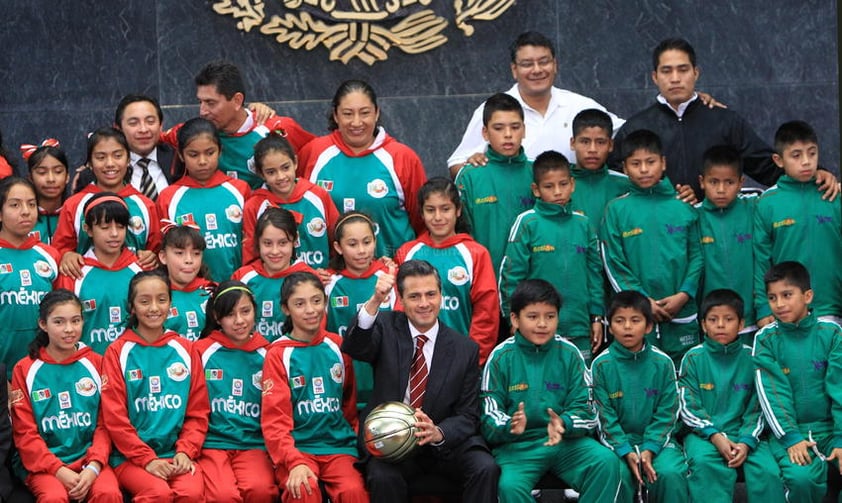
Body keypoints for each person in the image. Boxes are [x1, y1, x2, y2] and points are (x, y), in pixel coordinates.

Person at [342, 260, 499, 502]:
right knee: (383, 477)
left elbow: (468, 415)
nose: (424, 303)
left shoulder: (464, 348)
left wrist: (438, 432)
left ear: (441, 296)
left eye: (431, 294)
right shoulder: (385, 327)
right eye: (414, 296)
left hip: (444, 444)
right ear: (401, 300)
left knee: (485, 467)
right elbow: (355, 346)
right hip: (393, 442)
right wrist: (375, 300)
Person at [609, 37, 838, 201]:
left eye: (683, 69)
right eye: (667, 71)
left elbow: (766, 165)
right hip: (661, 236)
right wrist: (660, 193)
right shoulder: (637, 128)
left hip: (718, 232)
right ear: (655, 77)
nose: (675, 78)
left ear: (696, 73)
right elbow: (613, 177)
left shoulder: (724, 121)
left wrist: (816, 174)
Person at [481, 279, 630, 502]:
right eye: (533, 316)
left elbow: (588, 410)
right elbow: (488, 413)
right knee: (508, 487)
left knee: (606, 464)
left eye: (550, 316)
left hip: (566, 443)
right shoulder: (501, 357)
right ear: (515, 319)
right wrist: (510, 424)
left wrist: (564, 423)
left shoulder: (570, 353)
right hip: (518, 447)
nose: (542, 324)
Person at [447, 31, 623, 175]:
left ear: (555, 65)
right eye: (527, 64)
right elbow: (456, 164)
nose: (537, 70)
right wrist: (473, 165)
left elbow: (626, 134)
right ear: (514, 70)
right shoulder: (494, 109)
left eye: (544, 62)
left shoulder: (579, 105)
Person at [100, 270, 209, 502]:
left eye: (161, 299)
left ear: (170, 303)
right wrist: (146, 459)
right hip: (130, 458)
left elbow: (197, 413)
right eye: (144, 301)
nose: (154, 308)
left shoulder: (186, 349)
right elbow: (115, 419)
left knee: (191, 493)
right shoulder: (117, 352)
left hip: (176, 453)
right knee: (157, 493)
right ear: (132, 307)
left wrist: (185, 451)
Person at [262, 272, 368, 503]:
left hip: (338, 447)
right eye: (300, 304)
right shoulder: (278, 354)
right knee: (304, 490)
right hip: (297, 448)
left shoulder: (338, 346)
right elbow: (275, 422)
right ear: (286, 309)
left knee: (354, 492)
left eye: (316, 300)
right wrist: (293, 461)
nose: (310, 310)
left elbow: (348, 405)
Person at [9, 289, 123, 503]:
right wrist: (59, 470)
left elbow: (106, 424)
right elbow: (25, 434)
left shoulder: (97, 362)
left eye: (76, 321)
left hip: (90, 461)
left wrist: (94, 467)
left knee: (108, 493)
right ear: (43, 324)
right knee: (53, 497)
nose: (69, 329)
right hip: (44, 465)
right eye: (59, 322)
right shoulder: (24, 369)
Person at [600, 129, 703, 363]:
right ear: (625, 169)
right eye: (636, 163)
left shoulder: (684, 206)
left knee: (685, 377)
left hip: (683, 312)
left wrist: (685, 294)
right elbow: (614, 263)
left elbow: (697, 256)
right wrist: (643, 300)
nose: (644, 169)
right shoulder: (616, 210)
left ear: (663, 163)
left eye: (650, 162)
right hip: (636, 315)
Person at [297, 79, 427, 257]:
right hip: (328, 277)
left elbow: (422, 221)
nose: (356, 122)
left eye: (364, 113)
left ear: (376, 113)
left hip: (392, 274)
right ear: (335, 115)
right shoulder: (314, 153)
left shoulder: (402, 158)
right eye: (348, 114)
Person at [679, 289, 785, 503]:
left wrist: (746, 441)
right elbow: (687, 405)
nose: (720, 325)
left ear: (741, 324)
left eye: (728, 319)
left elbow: (760, 405)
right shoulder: (692, 358)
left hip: (747, 435)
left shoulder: (753, 358)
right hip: (705, 435)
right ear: (703, 325)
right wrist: (714, 435)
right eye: (713, 319)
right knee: (704, 464)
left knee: (768, 471)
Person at [498, 151, 603, 363]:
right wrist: (513, 318)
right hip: (535, 327)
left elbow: (595, 275)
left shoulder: (583, 224)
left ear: (572, 184)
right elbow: (511, 275)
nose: (557, 192)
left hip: (578, 325)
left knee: (579, 386)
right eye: (549, 186)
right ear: (536, 190)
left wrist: (597, 317)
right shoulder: (527, 223)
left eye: (563, 184)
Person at [753, 261, 842, 502]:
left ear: (808, 296)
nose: (779, 304)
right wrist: (791, 437)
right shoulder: (765, 338)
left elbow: (839, 387)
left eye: (787, 295)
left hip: (831, 430)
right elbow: (772, 393)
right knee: (800, 479)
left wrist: (840, 437)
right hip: (791, 433)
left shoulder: (832, 333)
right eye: (772, 298)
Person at [591, 290, 689, 502]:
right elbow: (604, 417)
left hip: (659, 443)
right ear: (610, 325)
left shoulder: (663, 363)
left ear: (649, 326)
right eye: (619, 320)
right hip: (617, 445)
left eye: (635, 320)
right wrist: (626, 450)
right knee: (615, 473)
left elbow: (669, 412)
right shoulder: (601, 365)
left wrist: (650, 448)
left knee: (670, 473)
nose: (627, 327)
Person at [163, 61, 315, 190]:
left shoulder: (279, 128)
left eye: (211, 103)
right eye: (200, 102)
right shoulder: (194, 135)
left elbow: (317, 158)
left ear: (237, 100)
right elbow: (149, 137)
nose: (202, 111)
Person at [394, 177, 499, 364]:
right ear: (421, 213)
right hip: (415, 362)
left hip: (459, 361)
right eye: (430, 210)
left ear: (458, 210)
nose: (438, 217)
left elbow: (486, 315)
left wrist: (472, 360)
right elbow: (399, 308)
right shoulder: (407, 252)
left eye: (445, 209)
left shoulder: (476, 254)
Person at [194, 281, 279, 503]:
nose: (240, 321)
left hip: (253, 444)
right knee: (223, 496)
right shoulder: (200, 351)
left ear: (255, 310)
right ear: (217, 316)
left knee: (260, 490)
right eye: (230, 314)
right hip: (212, 443)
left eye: (245, 311)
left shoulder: (269, 353)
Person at [754, 120, 842, 328]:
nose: (806, 162)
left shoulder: (834, 196)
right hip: (786, 312)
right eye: (796, 155)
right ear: (778, 160)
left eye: (812, 153)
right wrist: (763, 306)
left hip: (832, 307)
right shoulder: (767, 203)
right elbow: (761, 261)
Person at [53, 127, 160, 278]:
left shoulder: (146, 205)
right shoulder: (74, 205)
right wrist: (66, 256)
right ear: (89, 162)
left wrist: (153, 256)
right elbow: (59, 250)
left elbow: (158, 250)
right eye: (101, 157)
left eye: (117, 156)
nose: (110, 163)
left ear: (129, 159)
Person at [157, 117, 251, 281]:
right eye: (193, 154)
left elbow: (252, 243)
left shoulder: (240, 190)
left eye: (209, 153)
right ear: (180, 155)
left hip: (236, 290)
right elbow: (160, 248)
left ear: (220, 151)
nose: (202, 161)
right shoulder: (169, 197)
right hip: (190, 294)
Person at [455, 92, 534, 277]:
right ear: (485, 132)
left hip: (532, 284)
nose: (508, 135)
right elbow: (458, 236)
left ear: (524, 130)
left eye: (515, 127)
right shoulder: (469, 177)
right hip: (483, 280)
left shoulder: (538, 174)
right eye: (498, 128)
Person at [55, 193, 142, 354]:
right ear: (88, 229)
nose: (114, 234)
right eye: (105, 227)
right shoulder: (73, 272)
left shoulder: (141, 270)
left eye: (121, 227)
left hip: (131, 368)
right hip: (86, 369)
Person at [324, 212, 395, 411]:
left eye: (367, 242)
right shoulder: (327, 284)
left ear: (375, 241)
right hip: (341, 380)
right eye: (352, 244)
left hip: (382, 380)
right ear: (338, 247)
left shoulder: (390, 278)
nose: (362, 251)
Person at [241, 132, 338, 268]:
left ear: (296, 163)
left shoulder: (318, 195)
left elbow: (339, 243)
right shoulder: (254, 206)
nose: (281, 176)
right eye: (271, 172)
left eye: (285, 168)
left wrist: (330, 273)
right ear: (260, 174)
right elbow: (251, 259)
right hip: (276, 286)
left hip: (320, 284)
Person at [696, 145, 758, 344]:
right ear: (702, 182)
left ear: (741, 182)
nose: (721, 190)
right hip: (713, 323)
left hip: (752, 319)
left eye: (729, 182)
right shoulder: (693, 217)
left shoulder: (754, 208)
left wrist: (821, 175)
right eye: (714, 182)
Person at [0, 177, 60, 378]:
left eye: (32, 204)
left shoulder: (50, 256)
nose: (25, 211)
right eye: (15, 205)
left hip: (43, 370)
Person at [73, 94, 184, 198]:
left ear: (161, 126)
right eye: (133, 123)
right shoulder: (94, 174)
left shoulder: (181, 161)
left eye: (150, 121)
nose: (143, 129)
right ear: (118, 129)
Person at [232, 207, 317, 342]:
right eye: (267, 243)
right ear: (257, 242)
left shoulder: (308, 277)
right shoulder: (242, 277)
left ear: (295, 241)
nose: (275, 251)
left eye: (283, 243)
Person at [567, 109, 630, 222]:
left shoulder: (625, 185)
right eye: (585, 142)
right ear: (573, 143)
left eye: (600, 142)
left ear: (610, 145)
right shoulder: (558, 185)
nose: (592, 149)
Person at [159, 220, 215, 342]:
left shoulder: (213, 293)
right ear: (163, 257)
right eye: (179, 253)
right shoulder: (155, 295)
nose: (189, 260)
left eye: (196, 253)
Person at [21, 138, 69, 244]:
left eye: (58, 171)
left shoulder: (75, 216)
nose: (51, 179)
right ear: (30, 178)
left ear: (67, 177)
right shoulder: (21, 217)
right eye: (42, 172)